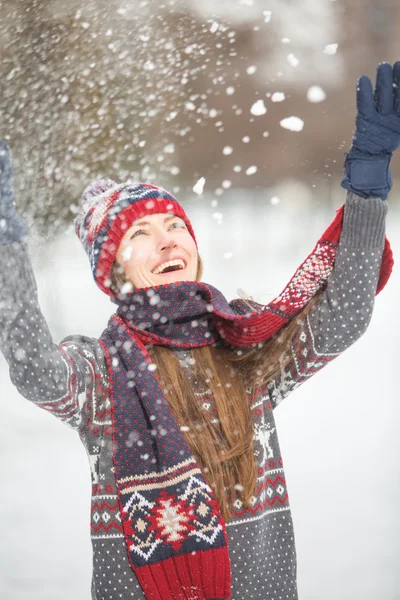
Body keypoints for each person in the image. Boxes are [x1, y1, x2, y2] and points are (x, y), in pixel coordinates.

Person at [0, 61, 397, 600]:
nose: (168, 241)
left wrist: (369, 188)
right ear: (112, 273)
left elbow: (345, 316)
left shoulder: (241, 344)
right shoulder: (100, 375)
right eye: (141, 232)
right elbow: (34, 369)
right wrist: (6, 244)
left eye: (175, 226)